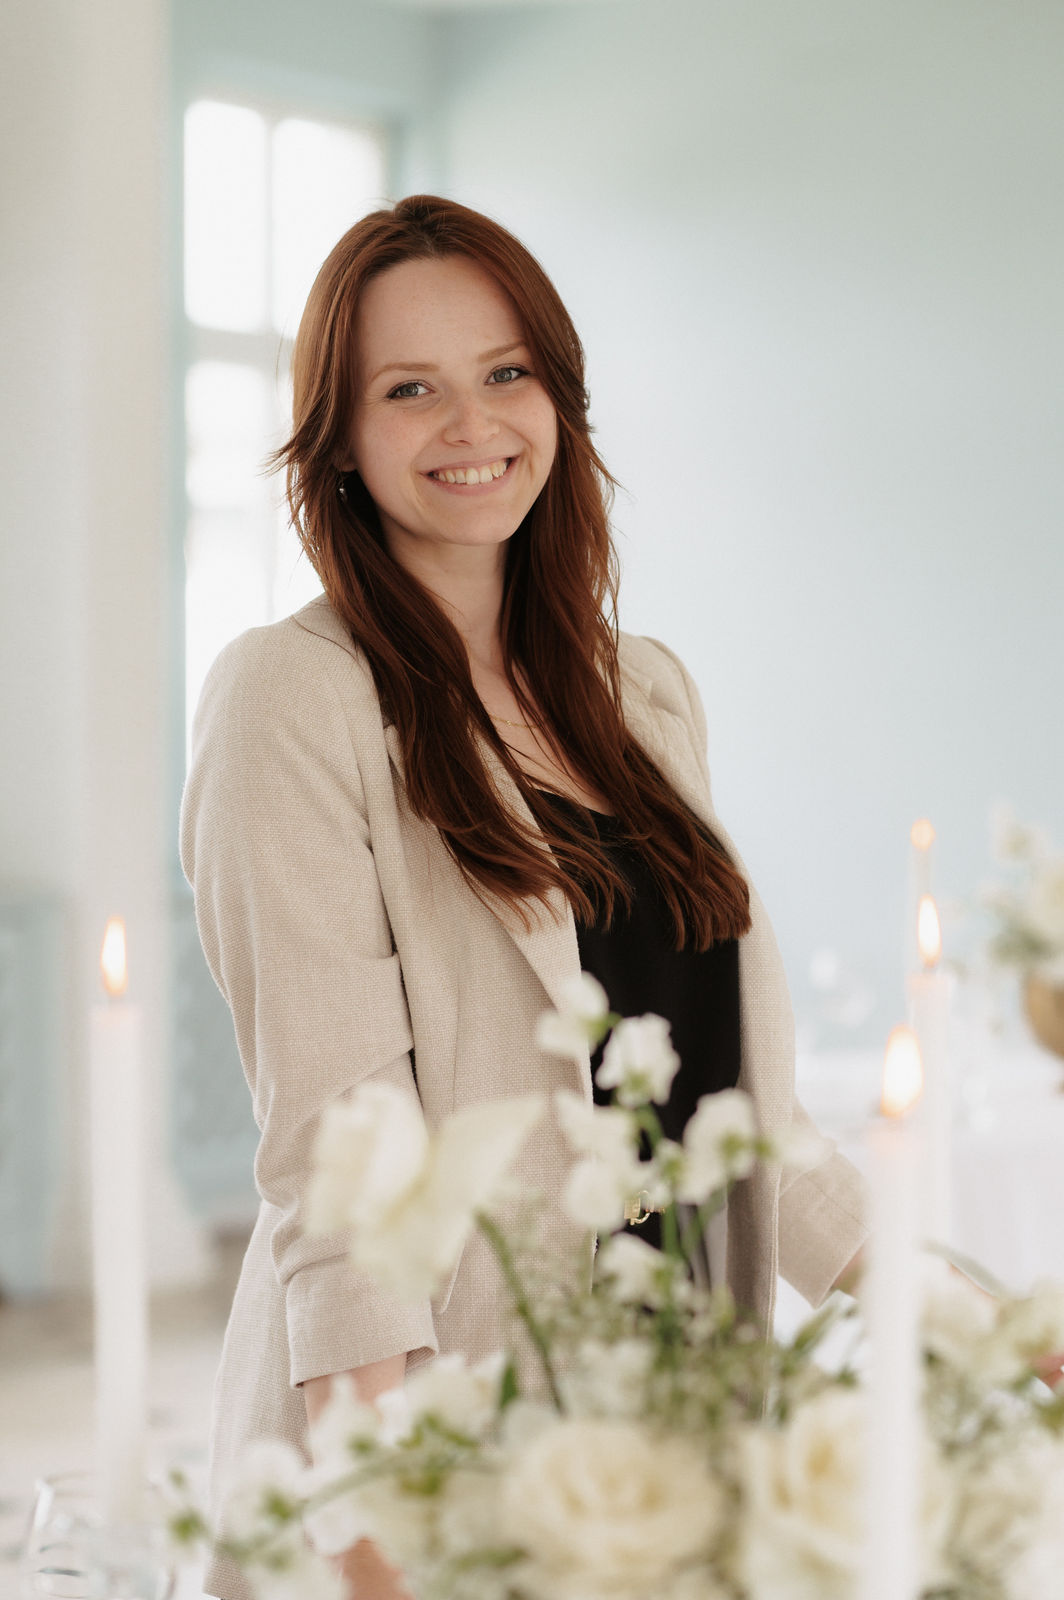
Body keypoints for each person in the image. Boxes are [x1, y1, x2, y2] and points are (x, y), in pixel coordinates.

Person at [180, 195, 868, 1600]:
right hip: (455, 1444)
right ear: (341, 440)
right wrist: (378, 1525)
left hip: (676, 1431)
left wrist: (985, 1324)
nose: (472, 423)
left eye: (507, 372)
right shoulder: (292, 698)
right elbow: (341, 1163)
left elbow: (748, 1127)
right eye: (408, 388)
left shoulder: (645, 694)